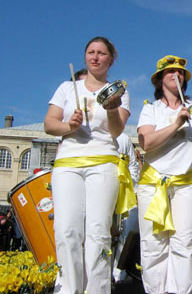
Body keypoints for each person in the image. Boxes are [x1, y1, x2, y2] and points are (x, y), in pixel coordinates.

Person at [44, 36, 132, 294]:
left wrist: (113, 109)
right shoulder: (66, 88)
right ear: (85, 57)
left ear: (110, 59)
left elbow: (116, 131)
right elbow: (50, 123)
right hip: (68, 163)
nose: (95, 57)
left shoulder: (119, 91)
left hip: (103, 163)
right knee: (66, 229)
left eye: (101, 53)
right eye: (91, 52)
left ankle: (97, 289)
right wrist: (68, 126)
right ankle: (69, 288)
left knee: (98, 231)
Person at [136, 55, 192, 294]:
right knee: (154, 244)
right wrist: (176, 124)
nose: (177, 75)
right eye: (170, 71)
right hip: (153, 184)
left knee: (185, 243)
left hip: (185, 185)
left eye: (181, 72)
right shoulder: (150, 109)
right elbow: (147, 143)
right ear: (160, 79)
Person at [112, 133, 141, 283]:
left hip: (125, 193)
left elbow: (133, 165)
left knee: (125, 233)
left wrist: (131, 187)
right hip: (102, 189)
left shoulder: (123, 139)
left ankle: (119, 271)